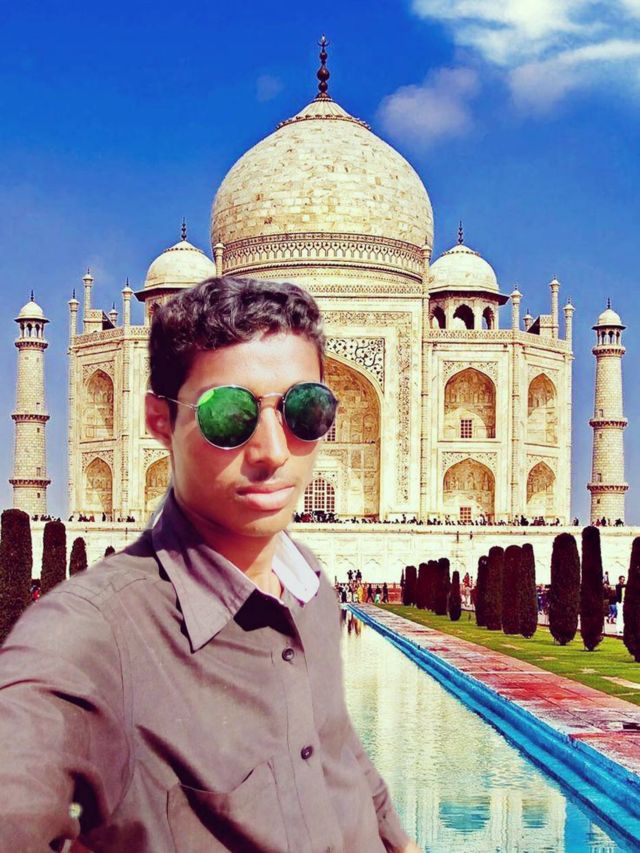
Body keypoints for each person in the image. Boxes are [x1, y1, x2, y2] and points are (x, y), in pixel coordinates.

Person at [0, 277, 419, 853]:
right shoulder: (87, 634)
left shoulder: (311, 589)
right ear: (159, 420)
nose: (273, 451)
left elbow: (334, 745)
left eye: (306, 410)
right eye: (228, 414)